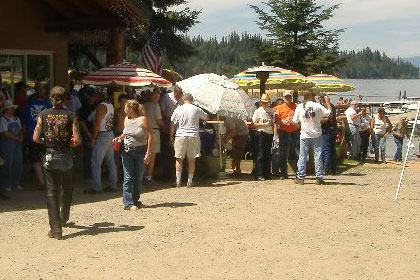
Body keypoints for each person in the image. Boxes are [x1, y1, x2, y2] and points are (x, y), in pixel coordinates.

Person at [33, 86, 82, 240]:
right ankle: (64, 217)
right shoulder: (71, 115)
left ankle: (56, 229)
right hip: (66, 154)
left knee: (51, 192)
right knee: (67, 188)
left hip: (49, 155)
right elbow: (78, 139)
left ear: (51, 98)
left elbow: (35, 138)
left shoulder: (43, 115)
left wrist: (46, 141)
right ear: (65, 98)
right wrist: (70, 143)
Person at [113, 100, 152, 211]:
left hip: (141, 150)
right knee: (128, 176)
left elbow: (150, 136)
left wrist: (148, 153)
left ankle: (135, 200)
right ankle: (128, 203)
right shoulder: (126, 120)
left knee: (138, 176)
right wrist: (119, 138)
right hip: (127, 150)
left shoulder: (142, 119)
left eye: (125, 107)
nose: (124, 109)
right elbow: (126, 133)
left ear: (130, 109)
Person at [293, 90, 332, 185]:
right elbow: (329, 113)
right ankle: (319, 177)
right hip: (316, 133)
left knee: (302, 156)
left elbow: (294, 121)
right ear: (312, 96)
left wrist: (300, 127)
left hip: (304, 134)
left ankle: (300, 177)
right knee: (317, 155)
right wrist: (327, 102)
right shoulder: (317, 106)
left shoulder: (300, 106)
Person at [170, 93, 208, 187]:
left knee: (179, 159)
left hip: (180, 135)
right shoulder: (196, 109)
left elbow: (172, 123)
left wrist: (171, 136)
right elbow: (206, 117)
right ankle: (189, 181)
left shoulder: (178, 109)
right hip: (193, 135)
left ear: (183, 99)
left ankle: (178, 181)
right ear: (192, 100)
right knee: (192, 159)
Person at [85, 92, 117, 193]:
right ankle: (113, 184)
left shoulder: (101, 107)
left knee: (96, 162)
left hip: (102, 134)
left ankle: (96, 187)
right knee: (110, 161)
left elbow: (97, 123)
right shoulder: (110, 105)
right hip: (110, 133)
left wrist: (93, 138)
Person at [23, 82, 51, 189]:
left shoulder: (28, 105)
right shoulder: (49, 105)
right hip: (44, 135)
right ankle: (45, 181)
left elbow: (25, 123)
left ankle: (41, 181)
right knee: (46, 158)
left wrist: (24, 136)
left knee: (36, 159)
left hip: (33, 136)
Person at [273, 91, 300, 179]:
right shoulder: (278, 107)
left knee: (297, 152)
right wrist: (281, 121)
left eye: (289, 96)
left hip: (294, 131)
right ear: (284, 97)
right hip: (283, 131)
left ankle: (299, 173)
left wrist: (295, 121)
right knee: (283, 153)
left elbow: (301, 116)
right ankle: (284, 173)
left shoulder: (296, 106)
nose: (288, 98)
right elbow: (276, 120)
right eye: (286, 96)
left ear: (291, 97)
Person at [0, 101, 23, 192]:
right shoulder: (2, 119)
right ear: (5, 109)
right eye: (9, 108)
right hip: (6, 144)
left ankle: (16, 183)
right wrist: (18, 138)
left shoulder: (17, 119)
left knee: (18, 163)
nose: (11, 110)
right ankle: (7, 184)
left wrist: (21, 136)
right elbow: (5, 133)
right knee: (7, 164)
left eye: (12, 108)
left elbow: (20, 130)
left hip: (17, 144)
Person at [143, 88, 163, 185]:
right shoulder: (156, 106)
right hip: (154, 131)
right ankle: (148, 177)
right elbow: (159, 120)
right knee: (152, 154)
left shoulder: (143, 105)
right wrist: (163, 124)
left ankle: (142, 175)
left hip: (143, 132)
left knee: (144, 153)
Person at [252, 94, 274, 181]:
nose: (265, 104)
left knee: (268, 154)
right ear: (261, 102)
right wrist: (263, 124)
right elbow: (253, 124)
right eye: (264, 102)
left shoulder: (271, 111)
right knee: (260, 153)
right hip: (261, 132)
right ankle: (259, 173)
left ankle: (267, 172)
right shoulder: (258, 111)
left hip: (269, 133)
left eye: (267, 102)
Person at [78, 88, 98, 179]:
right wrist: (89, 135)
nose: (94, 98)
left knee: (95, 155)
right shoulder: (83, 108)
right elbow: (82, 123)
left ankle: (93, 173)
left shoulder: (97, 106)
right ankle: (88, 174)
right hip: (87, 135)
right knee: (88, 155)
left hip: (96, 134)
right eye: (93, 96)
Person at [319, 94, 338, 175]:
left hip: (327, 130)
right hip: (332, 129)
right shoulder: (331, 106)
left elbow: (330, 116)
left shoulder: (325, 107)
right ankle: (333, 168)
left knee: (326, 150)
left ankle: (327, 169)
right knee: (331, 149)